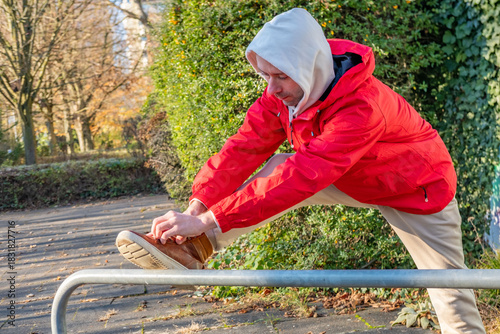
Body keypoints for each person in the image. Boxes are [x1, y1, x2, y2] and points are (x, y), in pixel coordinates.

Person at [116, 8, 485, 333]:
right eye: (265, 76)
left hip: (416, 188)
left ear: (308, 67)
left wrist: (213, 217)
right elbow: (243, 146)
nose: (272, 88)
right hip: (351, 177)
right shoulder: (286, 92)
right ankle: (193, 250)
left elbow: (304, 174)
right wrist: (197, 207)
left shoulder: (362, 106)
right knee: (276, 165)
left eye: (280, 77)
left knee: (451, 294)